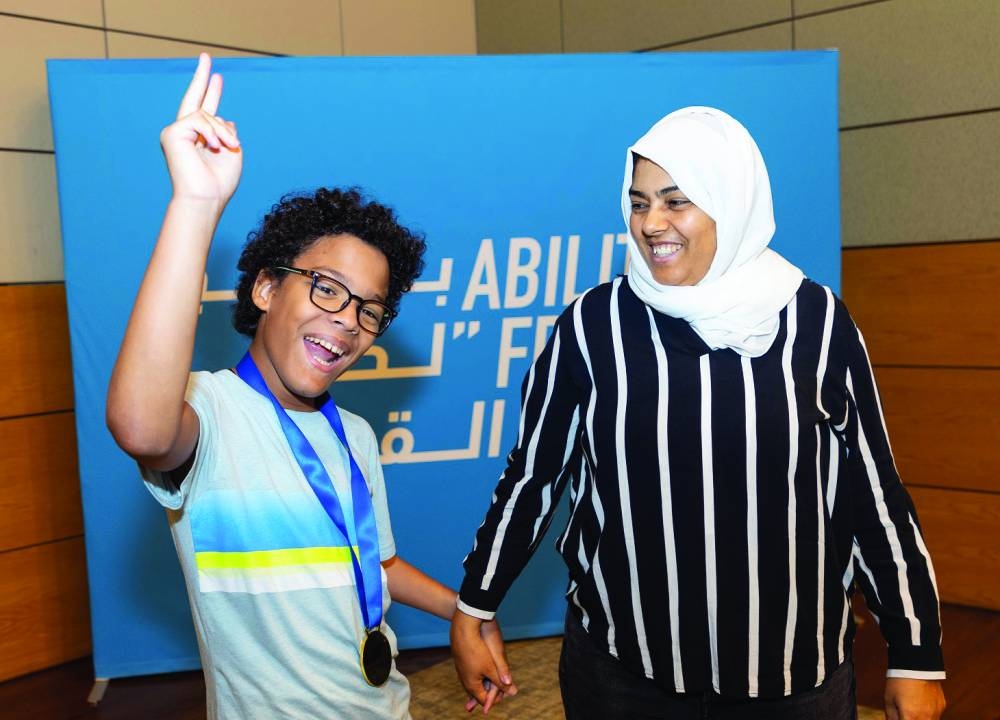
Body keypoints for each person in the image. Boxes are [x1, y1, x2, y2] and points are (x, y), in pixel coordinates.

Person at [451, 107, 946, 719]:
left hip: (794, 679)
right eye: (638, 203)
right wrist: (475, 608)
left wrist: (915, 654)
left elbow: (874, 495)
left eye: (676, 201)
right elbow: (534, 479)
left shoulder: (817, 323)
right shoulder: (591, 327)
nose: (651, 223)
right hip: (625, 676)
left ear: (730, 202)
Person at [106, 53, 514, 719]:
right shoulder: (212, 414)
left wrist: (465, 613)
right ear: (266, 286)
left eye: (368, 309)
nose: (346, 322)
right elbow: (141, 427)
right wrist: (196, 204)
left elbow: (374, 564)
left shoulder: (353, 435)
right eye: (325, 289)